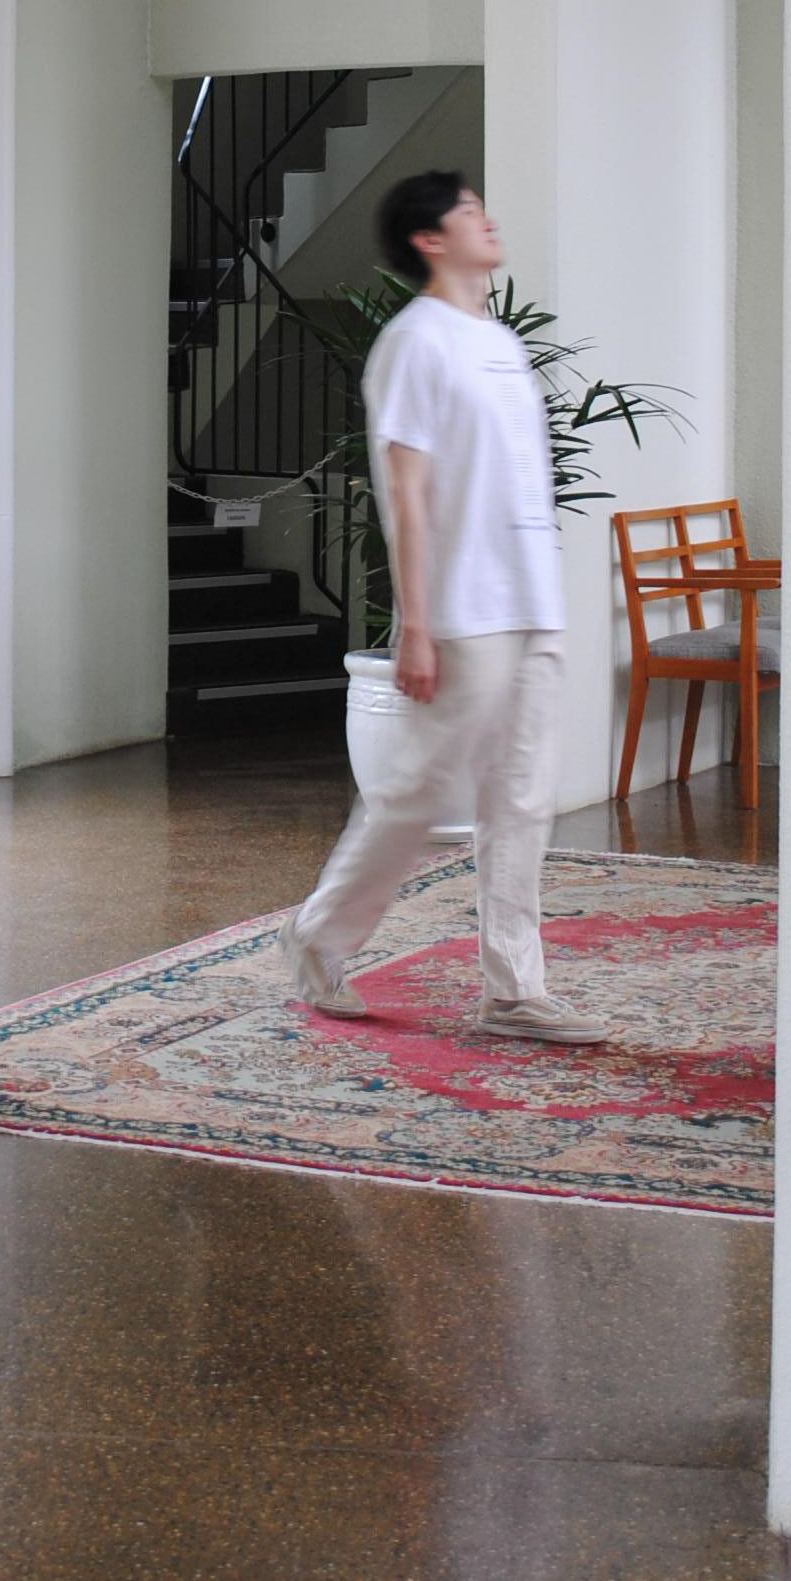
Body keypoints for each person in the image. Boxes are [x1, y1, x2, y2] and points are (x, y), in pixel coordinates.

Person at [276, 170, 610, 1045]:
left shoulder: (496, 341)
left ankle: (515, 992)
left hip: (531, 599)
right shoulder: (414, 343)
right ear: (430, 240)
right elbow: (407, 490)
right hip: (465, 609)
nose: (487, 220)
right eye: (469, 212)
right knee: (419, 795)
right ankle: (318, 935)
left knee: (523, 799)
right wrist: (415, 624)